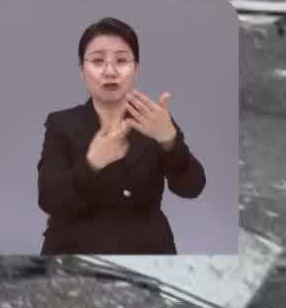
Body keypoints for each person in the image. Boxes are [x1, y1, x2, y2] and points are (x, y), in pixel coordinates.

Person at [36, 17, 205, 255]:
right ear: (81, 71)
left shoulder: (155, 120)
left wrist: (169, 140)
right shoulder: (61, 124)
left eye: (122, 60)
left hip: (148, 253)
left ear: (136, 70)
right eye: (97, 60)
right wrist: (92, 163)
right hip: (74, 252)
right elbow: (48, 199)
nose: (110, 71)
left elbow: (192, 188)